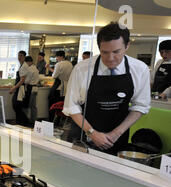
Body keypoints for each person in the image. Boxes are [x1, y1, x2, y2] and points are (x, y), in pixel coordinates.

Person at [63, 22, 151, 155]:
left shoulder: (139, 69)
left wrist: (116, 134)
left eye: (116, 52)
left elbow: (140, 106)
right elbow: (71, 106)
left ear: (127, 46)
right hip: (83, 134)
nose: (110, 58)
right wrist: (92, 133)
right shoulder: (82, 69)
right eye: (104, 52)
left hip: (117, 137)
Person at [47, 50, 73, 121]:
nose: (56, 58)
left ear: (61, 56)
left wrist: (49, 69)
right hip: (66, 87)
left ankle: (51, 120)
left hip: (58, 87)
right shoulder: (70, 64)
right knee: (61, 105)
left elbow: (54, 76)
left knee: (53, 105)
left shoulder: (59, 64)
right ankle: (58, 121)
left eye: (57, 57)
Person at [9, 50, 29, 126]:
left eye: (21, 56)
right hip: (19, 87)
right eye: (18, 55)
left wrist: (14, 88)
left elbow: (22, 80)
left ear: (24, 57)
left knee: (16, 105)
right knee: (16, 105)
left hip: (21, 88)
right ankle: (19, 121)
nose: (19, 57)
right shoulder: (22, 65)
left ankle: (24, 121)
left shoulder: (24, 66)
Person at [24, 56, 40, 125]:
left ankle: (27, 121)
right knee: (33, 106)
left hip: (30, 88)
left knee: (27, 105)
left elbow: (27, 81)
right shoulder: (35, 68)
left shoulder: (29, 69)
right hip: (35, 88)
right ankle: (34, 120)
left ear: (28, 62)